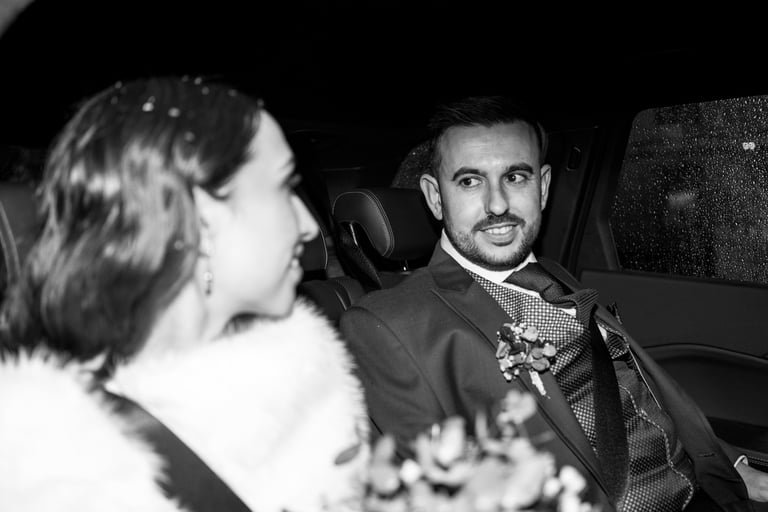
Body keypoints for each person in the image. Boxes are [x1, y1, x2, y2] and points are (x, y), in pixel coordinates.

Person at [339, 95, 768, 511]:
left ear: (543, 187)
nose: (497, 204)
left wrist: (733, 468)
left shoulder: (552, 275)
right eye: (470, 181)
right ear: (436, 197)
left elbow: (641, 388)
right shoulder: (387, 326)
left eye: (515, 177)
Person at [0, 77, 369, 512]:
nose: (308, 226)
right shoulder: (64, 470)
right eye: (285, 186)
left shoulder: (311, 374)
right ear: (203, 218)